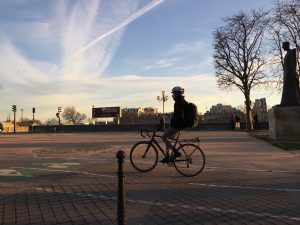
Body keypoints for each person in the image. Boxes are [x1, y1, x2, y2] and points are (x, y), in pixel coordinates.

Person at [159, 86, 189, 163]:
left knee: (163, 137)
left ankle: (176, 152)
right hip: (178, 125)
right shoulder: (180, 101)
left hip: (176, 126)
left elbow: (178, 116)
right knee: (167, 139)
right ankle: (167, 156)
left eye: (173, 94)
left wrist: (172, 123)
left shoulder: (179, 102)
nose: (172, 95)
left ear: (176, 94)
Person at [280, 42, 300, 106]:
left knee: (291, 90)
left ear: (287, 46)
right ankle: (286, 102)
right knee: (287, 90)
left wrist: (291, 74)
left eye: (283, 46)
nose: (282, 47)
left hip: (290, 75)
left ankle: (293, 102)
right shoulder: (287, 54)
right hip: (287, 74)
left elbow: (293, 64)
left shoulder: (293, 52)